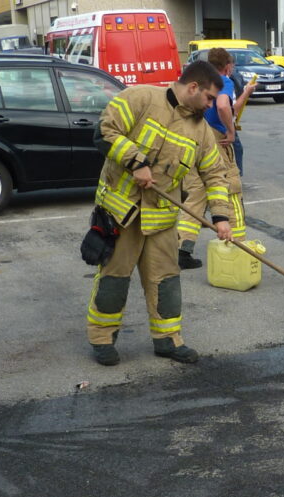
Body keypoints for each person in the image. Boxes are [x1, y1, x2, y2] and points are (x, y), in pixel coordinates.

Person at [85, 61, 233, 366]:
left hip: (162, 219)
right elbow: (104, 132)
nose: (211, 105)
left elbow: (215, 175)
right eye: (209, 98)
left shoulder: (201, 131)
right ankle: (102, 339)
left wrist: (221, 217)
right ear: (193, 87)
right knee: (114, 279)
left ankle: (168, 340)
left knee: (166, 282)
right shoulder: (140, 98)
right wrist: (136, 162)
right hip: (121, 213)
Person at [177, 48, 256, 269]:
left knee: (195, 194)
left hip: (194, 139)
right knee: (231, 189)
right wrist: (230, 132)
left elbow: (228, 107)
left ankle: (183, 250)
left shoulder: (203, 83)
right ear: (228, 66)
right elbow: (223, 106)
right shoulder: (224, 82)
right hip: (217, 142)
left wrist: (245, 93)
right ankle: (237, 246)